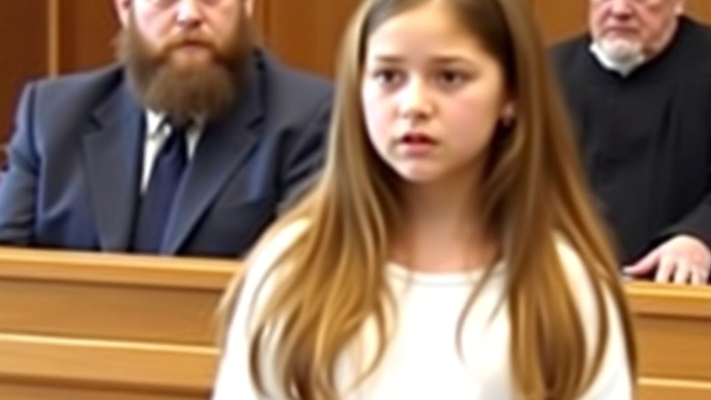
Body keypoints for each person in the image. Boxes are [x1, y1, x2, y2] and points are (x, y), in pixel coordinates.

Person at [213, 0, 637, 398]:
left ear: (511, 94)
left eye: (449, 77)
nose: (413, 105)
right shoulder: (292, 266)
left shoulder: (568, 287)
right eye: (388, 77)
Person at [0, 0, 331, 258]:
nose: (189, 15)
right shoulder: (51, 116)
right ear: (125, 9)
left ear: (247, 5)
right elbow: (8, 269)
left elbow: (301, 282)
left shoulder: (309, 119)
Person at [552, 0, 711, 284]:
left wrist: (700, 237)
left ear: (678, 4)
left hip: (680, 292)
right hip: (563, 287)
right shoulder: (544, 75)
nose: (619, 9)